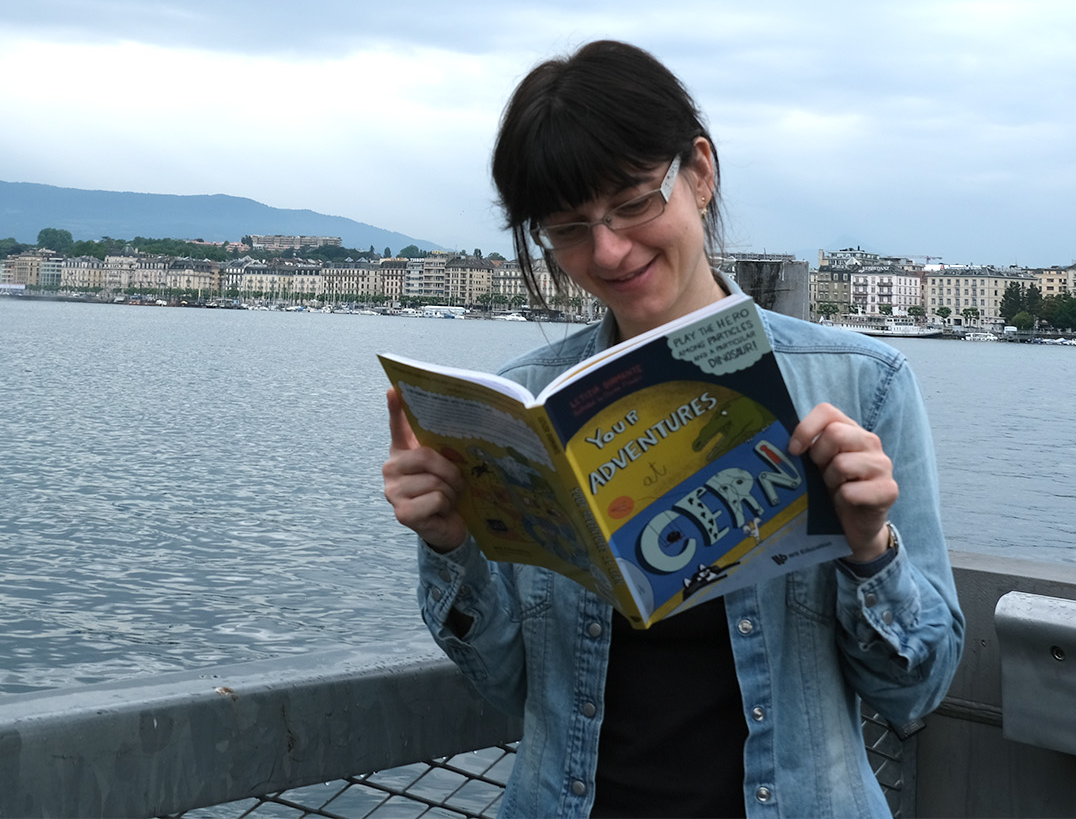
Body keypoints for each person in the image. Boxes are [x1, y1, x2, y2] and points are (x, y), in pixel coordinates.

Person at [381, 41, 964, 818]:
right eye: (570, 228)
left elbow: (918, 689)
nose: (610, 249)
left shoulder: (861, 385)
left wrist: (869, 548)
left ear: (700, 171)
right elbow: (504, 686)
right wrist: (451, 543)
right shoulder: (526, 403)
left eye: (632, 201)